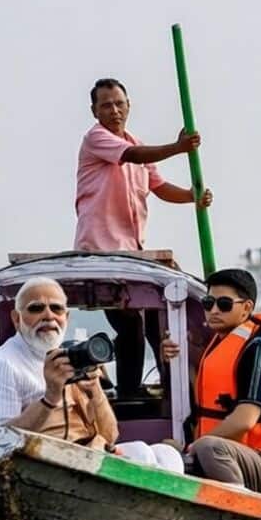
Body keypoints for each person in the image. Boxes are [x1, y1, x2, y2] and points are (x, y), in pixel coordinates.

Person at [74, 76, 215, 397]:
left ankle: (176, 391)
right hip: (101, 252)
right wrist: (178, 148)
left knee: (157, 325)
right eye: (106, 105)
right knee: (130, 325)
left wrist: (193, 197)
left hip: (132, 253)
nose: (114, 110)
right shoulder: (96, 138)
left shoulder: (134, 140)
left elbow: (159, 186)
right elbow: (133, 156)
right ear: (95, 111)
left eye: (119, 104)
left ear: (129, 106)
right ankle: (128, 395)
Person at [0, 277, 183, 472]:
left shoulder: (68, 359)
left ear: (67, 317)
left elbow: (110, 436)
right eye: (36, 308)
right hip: (39, 466)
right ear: (17, 319)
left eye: (56, 309)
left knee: (167, 454)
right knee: (143, 454)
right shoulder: (2, 365)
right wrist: (50, 397)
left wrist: (95, 391)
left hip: (86, 456)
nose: (48, 316)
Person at [169, 268, 261, 494]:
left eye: (224, 304)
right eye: (208, 303)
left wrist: (194, 447)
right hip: (233, 454)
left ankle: (236, 508)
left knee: (208, 447)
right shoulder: (220, 343)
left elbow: (244, 420)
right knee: (168, 448)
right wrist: (170, 355)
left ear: (247, 308)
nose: (213, 310)